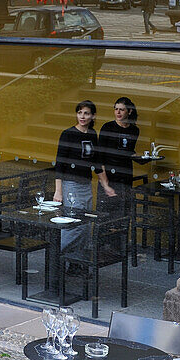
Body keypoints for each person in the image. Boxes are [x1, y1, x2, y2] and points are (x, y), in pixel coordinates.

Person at [53, 100, 116, 249]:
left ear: (93, 116)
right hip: (71, 185)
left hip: (86, 185)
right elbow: (60, 164)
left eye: (86, 113)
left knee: (86, 224)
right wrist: (58, 191)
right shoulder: (68, 134)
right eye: (79, 112)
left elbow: (97, 163)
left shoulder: (93, 134)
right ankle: (60, 258)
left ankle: (78, 262)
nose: (82, 116)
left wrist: (106, 186)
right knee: (73, 223)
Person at [97, 97, 140, 214]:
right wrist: (104, 181)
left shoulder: (134, 130)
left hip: (125, 174)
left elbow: (129, 151)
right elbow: (99, 155)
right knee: (107, 214)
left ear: (129, 111)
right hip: (109, 174)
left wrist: (141, 157)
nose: (118, 112)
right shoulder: (108, 127)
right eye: (116, 109)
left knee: (123, 212)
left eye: (121, 109)